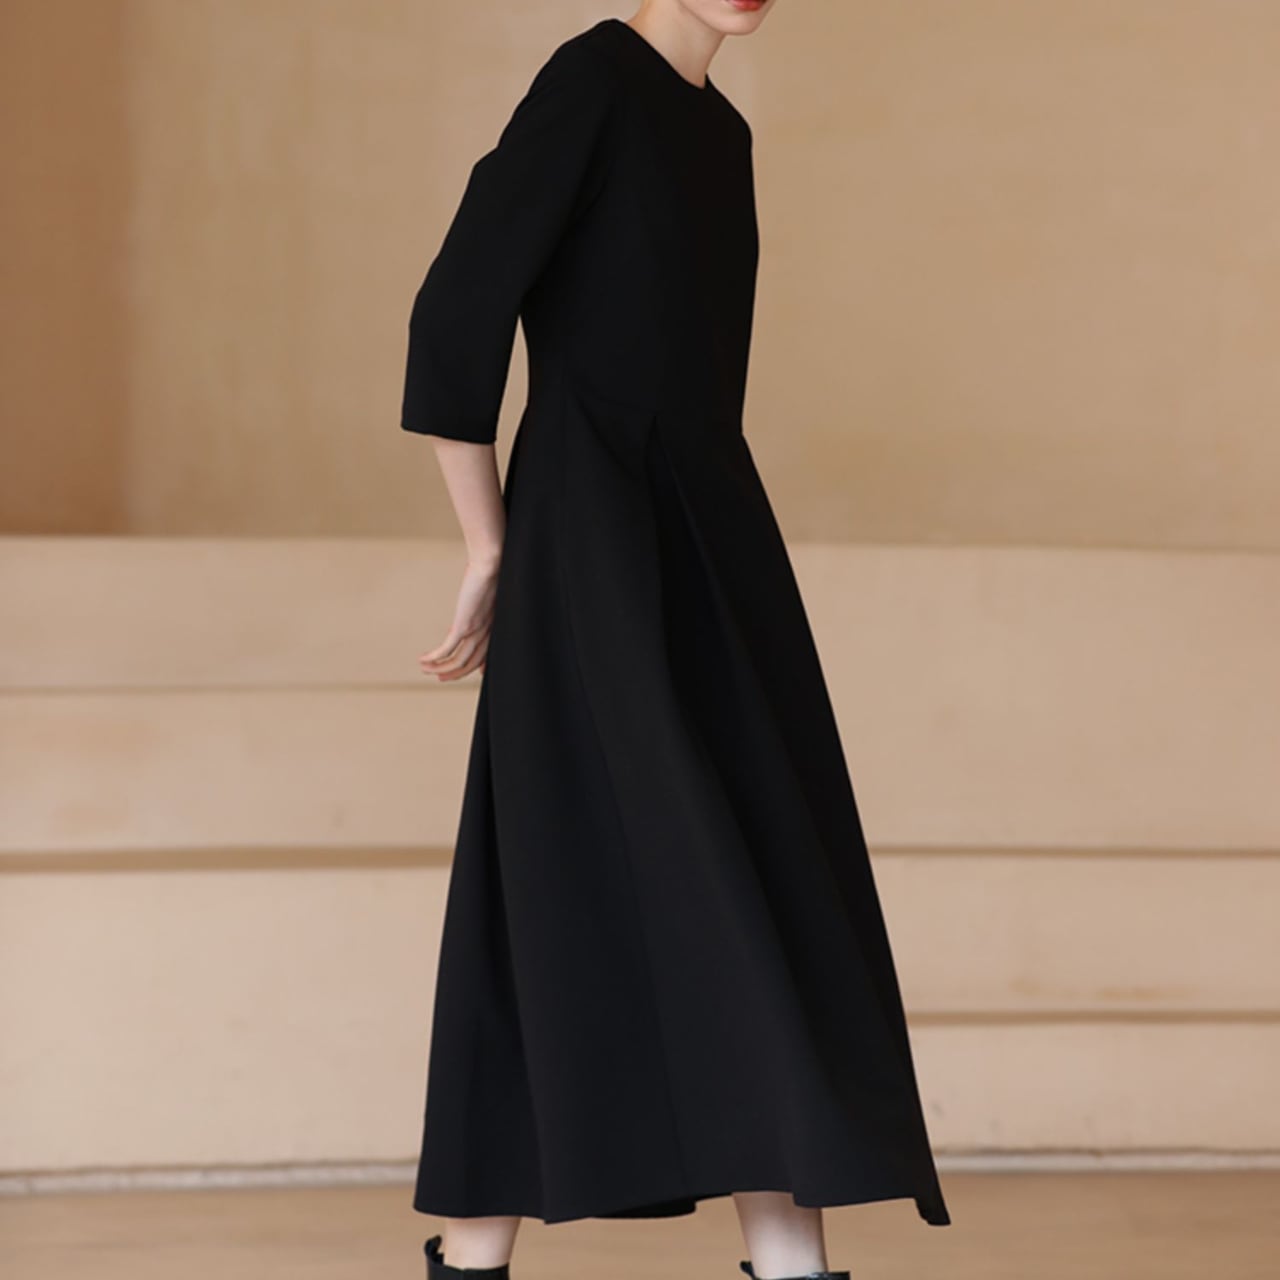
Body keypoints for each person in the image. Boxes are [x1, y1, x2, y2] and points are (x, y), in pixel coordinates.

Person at [399, 3, 952, 1277]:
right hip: (592, 534)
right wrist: (491, 547)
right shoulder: (592, 80)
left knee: (737, 876)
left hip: (710, 536)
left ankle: (526, 1254)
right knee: (643, 878)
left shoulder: (722, 135)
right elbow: (453, 315)